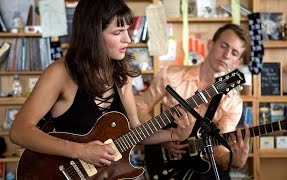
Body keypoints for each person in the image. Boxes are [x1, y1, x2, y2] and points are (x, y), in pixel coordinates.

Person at [8, 0, 195, 179]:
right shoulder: (60, 73)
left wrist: (173, 134)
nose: (127, 39)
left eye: (127, 30)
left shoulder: (122, 76)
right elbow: (19, 131)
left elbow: (134, 131)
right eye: (117, 32)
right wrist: (81, 150)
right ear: (93, 34)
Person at [136, 23, 251, 180]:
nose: (226, 55)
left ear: (237, 62)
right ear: (211, 44)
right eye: (223, 46)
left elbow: (218, 149)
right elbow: (140, 107)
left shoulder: (233, 102)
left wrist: (232, 161)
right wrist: (163, 137)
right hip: (167, 165)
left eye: (234, 52)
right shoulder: (170, 75)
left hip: (205, 169)